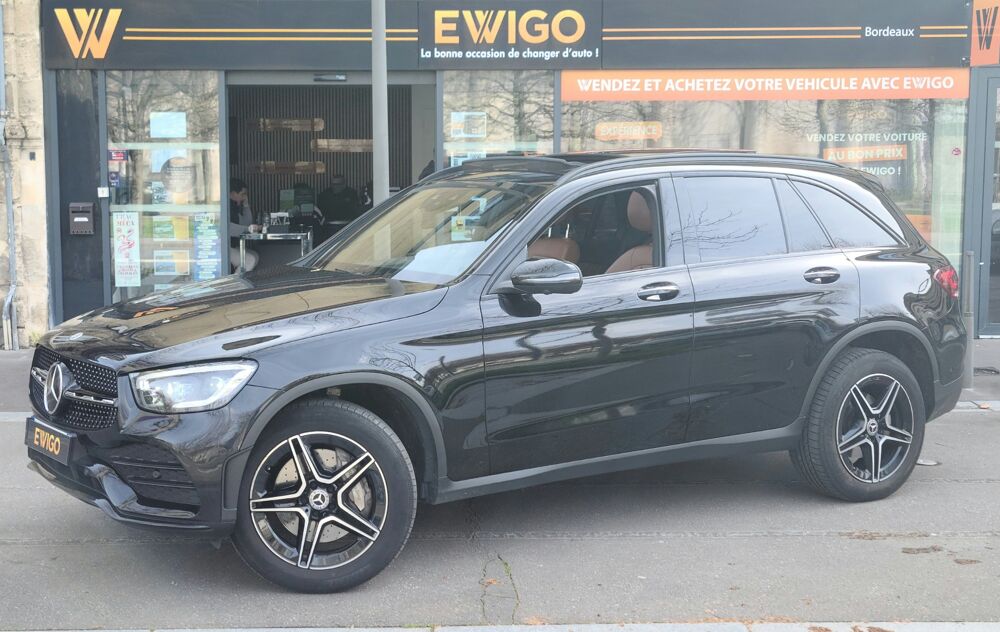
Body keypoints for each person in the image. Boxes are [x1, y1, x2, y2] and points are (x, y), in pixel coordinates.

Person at [229, 178, 260, 272]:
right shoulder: (225, 206)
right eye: (243, 194)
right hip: (220, 246)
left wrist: (246, 205)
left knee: (255, 255)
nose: (245, 197)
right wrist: (249, 229)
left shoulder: (234, 207)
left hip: (231, 245)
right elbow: (228, 228)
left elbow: (247, 223)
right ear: (233, 194)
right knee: (250, 259)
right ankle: (235, 281)